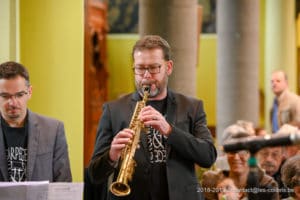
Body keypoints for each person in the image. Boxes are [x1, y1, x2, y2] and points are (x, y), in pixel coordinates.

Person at [88, 35, 217, 200]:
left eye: (154, 68)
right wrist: (112, 155)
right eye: (140, 68)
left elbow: (208, 157)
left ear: (168, 67)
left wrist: (170, 131)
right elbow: (94, 175)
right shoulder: (113, 110)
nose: (146, 76)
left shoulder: (192, 107)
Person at [0, 61, 72, 182]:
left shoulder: (53, 130)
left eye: (19, 95)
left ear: (30, 92)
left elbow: (63, 183)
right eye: (5, 96)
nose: (13, 103)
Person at [221, 121, 279, 199]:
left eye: (242, 152)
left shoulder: (267, 185)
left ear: (252, 154)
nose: (236, 157)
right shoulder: (214, 180)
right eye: (232, 152)